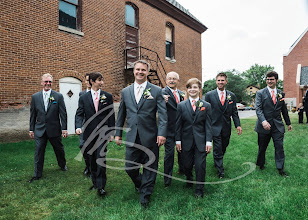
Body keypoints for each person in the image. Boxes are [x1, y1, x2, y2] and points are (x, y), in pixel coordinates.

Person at [115, 60, 167, 208]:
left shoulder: (157, 91)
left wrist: (162, 133)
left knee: (150, 167)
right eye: (137, 69)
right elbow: (121, 114)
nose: (140, 72)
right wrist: (118, 133)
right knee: (129, 168)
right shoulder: (126, 91)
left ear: (147, 72)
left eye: (143, 70)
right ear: (134, 71)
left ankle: (145, 195)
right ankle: (140, 183)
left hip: (150, 135)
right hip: (132, 136)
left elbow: (163, 115)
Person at [75, 72, 115, 197]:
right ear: (92, 81)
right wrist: (78, 126)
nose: (101, 82)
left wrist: (111, 132)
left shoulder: (107, 96)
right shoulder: (83, 97)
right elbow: (79, 113)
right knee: (91, 159)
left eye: (102, 80)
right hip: (89, 133)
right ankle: (95, 183)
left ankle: (101, 186)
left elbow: (111, 115)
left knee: (101, 159)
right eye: (99, 80)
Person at [175, 78, 212, 198]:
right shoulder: (181, 106)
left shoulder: (206, 105)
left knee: (200, 165)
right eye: (190, 87)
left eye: (195, 87)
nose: (192, 90)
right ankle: (189, 178)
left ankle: (199, 189)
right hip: (186, 140)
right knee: (186, 165)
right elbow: (178, 124)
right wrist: (178, 140)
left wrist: (208, 141)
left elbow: (208, 125)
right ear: (187, 89)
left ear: (199, 89)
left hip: (201, 140)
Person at [28, 73, 68, 183]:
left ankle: (62, 164)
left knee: (59, 149)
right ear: (42, 82)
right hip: (40, 129)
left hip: (54, 128)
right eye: (46, 81)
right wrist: (31, 129)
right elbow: (33, 115)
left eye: (50, 82)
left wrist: (64, 128)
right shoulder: (35, 97)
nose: (48, 83)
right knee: (39, 151)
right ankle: (37, 174)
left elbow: (63, 113)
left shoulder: (58, 96)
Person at [204, 72, 242, 179]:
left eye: (222, 80)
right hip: (214, 126)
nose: (220, 82)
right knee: (217, 148)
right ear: (216, 81)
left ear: (226, 81)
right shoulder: (209, 95)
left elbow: (234, 112)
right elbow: (205, 112)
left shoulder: (231, 96)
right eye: (218, 80)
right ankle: (220, 170)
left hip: (226, 126)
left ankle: (217, 161)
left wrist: (237, 125)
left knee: (223, 146)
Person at [255, 71, 292, 176]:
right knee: (262, 147)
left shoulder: (281, 93)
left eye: (271, 79)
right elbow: (258, 108)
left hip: (277, 126)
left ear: (276, 80)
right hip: (264, 126)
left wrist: (288, 123)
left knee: (279, 147)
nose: (269, 81)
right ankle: (261, 163)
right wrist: (263, 121)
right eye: (267, 79)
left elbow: (283, 109)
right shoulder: (260, 93)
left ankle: (280, 169)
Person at [162, 71, 185, 187]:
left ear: (178, 81)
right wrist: (161, 101)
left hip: (181, 129)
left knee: (183, 151)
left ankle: (182, 170)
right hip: (169, 129)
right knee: (169, 154)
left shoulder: (182, 94)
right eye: (169, 78)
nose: (172, 80)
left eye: (174, 79)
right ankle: (167, 179)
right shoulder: (161, 93)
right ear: (166, 80)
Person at [78, 73, 91, 177]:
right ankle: (88, 165)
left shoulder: (100, 94)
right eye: (87, 80)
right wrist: (78, 126)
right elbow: (80, 112)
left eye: (90, 80)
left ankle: (93, 168)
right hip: (84, 125)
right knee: (82, 145)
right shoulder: (81, 94)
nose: (88, 82)